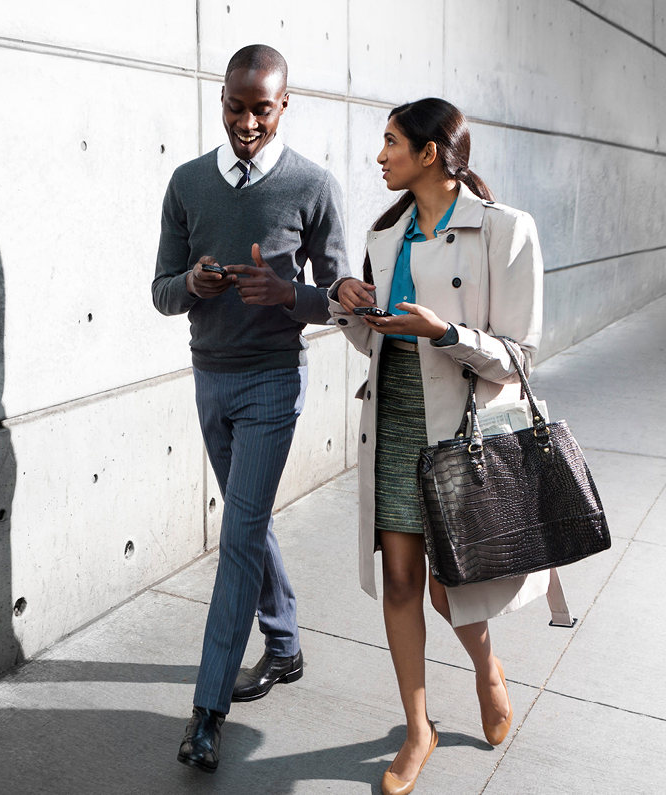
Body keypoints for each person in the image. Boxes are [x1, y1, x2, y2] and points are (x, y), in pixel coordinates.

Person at [330, 98, 570, 795]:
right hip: (396, 416)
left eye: (391, 142)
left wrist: (444, 334)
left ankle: (487, 669)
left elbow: (522, 354)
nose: (380, 156)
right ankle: (417, 727)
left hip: (460, 429)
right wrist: (354, 307)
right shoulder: (387, 234)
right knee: (402, 579)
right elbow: (378, 339)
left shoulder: (505, 231)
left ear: (430, 152)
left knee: (447, 587)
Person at [151, 44, 349, 773]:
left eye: (260, 108)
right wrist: (195, 285)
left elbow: (342, 300)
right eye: (234, 106)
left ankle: (206, 713)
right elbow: (161, 291)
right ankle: (286, 643)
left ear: (284, 105)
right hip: (211, 379)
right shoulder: (186, 185)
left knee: (236, 538)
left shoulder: (313, 186)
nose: (245, 122)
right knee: (248, 517)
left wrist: (288, 296)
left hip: (273, 381)